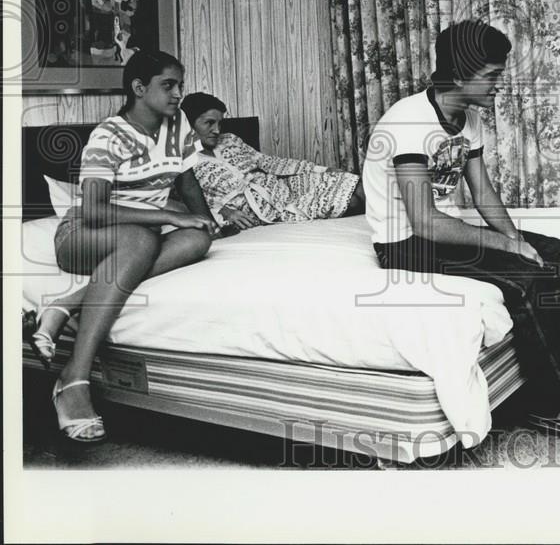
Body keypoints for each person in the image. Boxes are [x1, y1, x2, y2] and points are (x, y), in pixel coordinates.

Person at [362, 19, 560, 445]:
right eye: (492, 75)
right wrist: (504, 245)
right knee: (524, 282)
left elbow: (482, 192)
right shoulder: (406, 121)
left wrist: (515, 238)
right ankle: (554, 403)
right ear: (461, 75)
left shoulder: (467, 119)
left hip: (439, 232)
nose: (500, 84)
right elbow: (424, 219)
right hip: (404, 244)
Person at [29, 50, 219, 444]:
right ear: (138, 88)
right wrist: (171, 216)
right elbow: (96, 211)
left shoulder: (177, 124)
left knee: (196, 240)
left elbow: (185, 181)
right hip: (81, 236)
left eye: (180, 85)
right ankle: (73, 379)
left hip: (133, 237)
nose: (178, 94)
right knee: (140, 238)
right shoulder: (108, 135)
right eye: (168, 85)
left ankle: (68, 303)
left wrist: (203, 221)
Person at [181, 92, 363, 229]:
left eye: (220, 123)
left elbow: (269, 162)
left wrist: (320, 169)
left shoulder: (230, 140)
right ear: (189, 123)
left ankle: (389, 232)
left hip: (282, 187)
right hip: (264, 209)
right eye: (209, 123)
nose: (217, 130)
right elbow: (181, 201)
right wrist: (223, 211)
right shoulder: (183, 160)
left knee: (355, 182)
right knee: (353, 202)